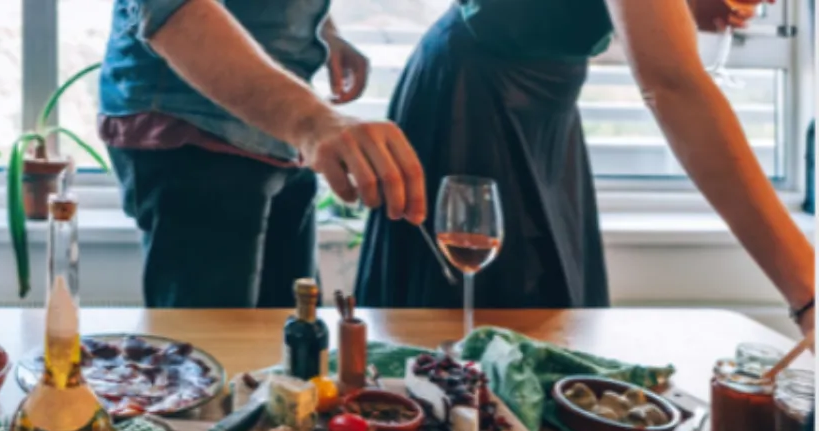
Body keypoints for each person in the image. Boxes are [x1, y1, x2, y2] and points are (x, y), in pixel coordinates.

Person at [354, 0, 815, 337]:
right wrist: (807, 293)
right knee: (485, 343)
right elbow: (672, 84)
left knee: (552, 324)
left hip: (546, 109)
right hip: (474, 102)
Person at [99, 0, 427, 308]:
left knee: (287, 345)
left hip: (278, 124)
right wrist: (316, 123)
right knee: (216, 351)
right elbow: (175, 10)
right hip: (195, 133)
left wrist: (323, 32)